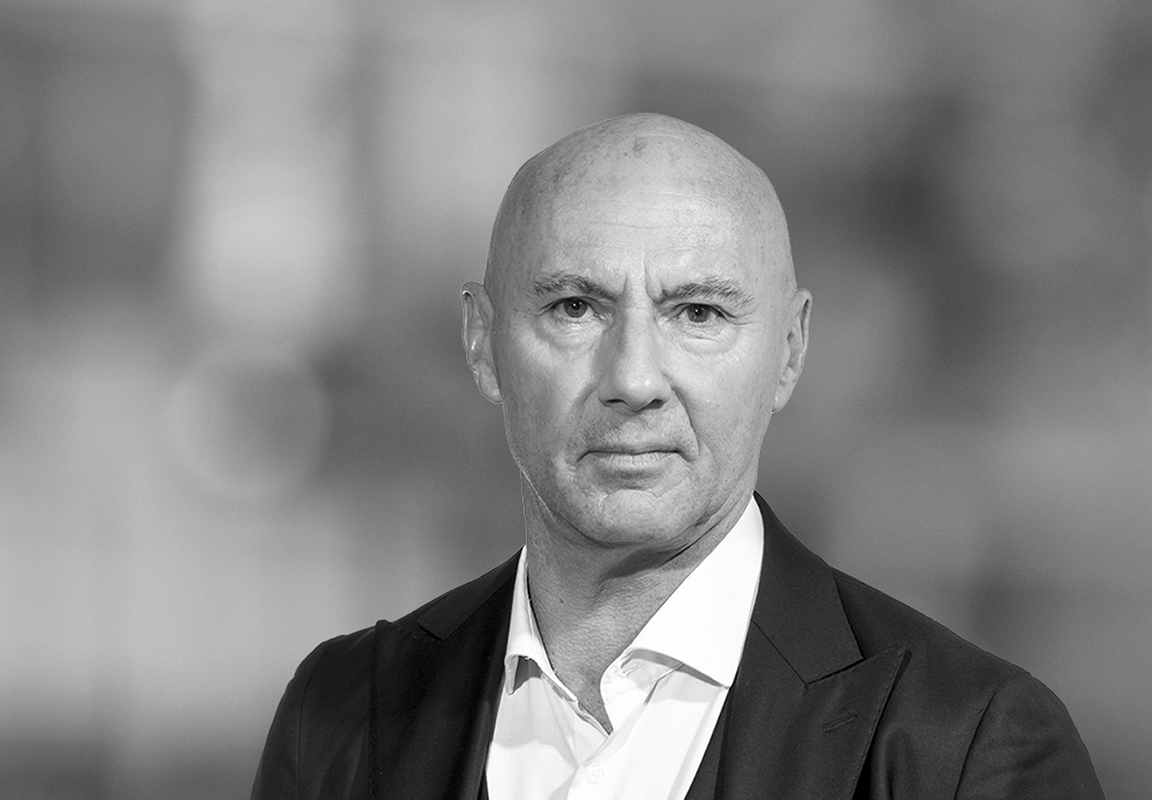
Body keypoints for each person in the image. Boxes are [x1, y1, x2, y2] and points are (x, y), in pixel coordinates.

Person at [251, 114, 1103, 799]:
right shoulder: (344, 714)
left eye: (698, 314)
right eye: (576, 307)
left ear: (790, 352)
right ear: (482, 343)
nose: (634, 379)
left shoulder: (962, 746)